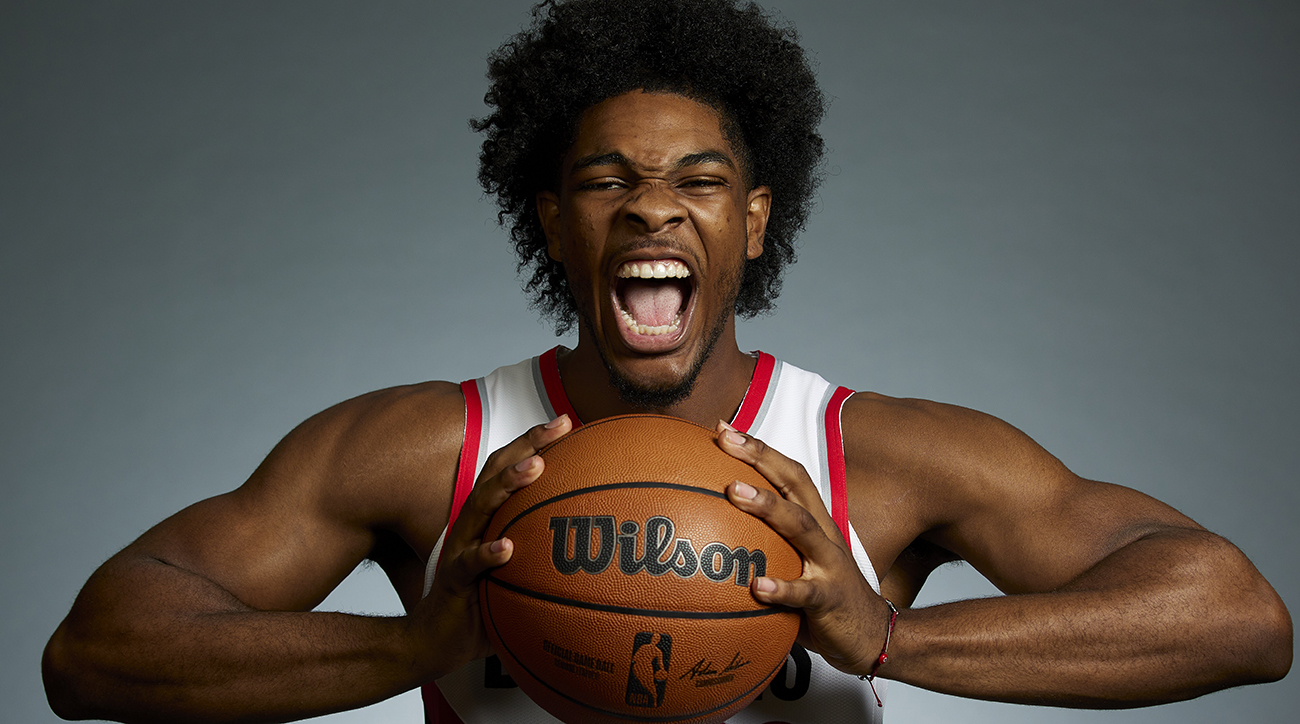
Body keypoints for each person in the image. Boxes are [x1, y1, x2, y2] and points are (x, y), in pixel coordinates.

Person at [42, 0, 1291, 722]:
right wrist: (398, 651)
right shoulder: (427, 451)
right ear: (551, 221)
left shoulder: (883, 458)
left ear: (752, 220)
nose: (653, 212)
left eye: (700, 181)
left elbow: (1234, 614)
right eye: (606, 182)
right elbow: (94, 649)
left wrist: (892, 638)